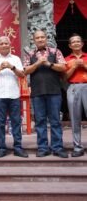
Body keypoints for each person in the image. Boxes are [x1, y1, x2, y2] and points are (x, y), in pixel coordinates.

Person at [24, 30, 68, 158]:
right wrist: (38, 62)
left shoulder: (55, 51)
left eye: (42, 37)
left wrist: (48, 64)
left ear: (46, 38)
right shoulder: (30, 54)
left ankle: (58, 147)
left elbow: (63, 67)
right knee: (40, 122)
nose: (40, 39)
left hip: (54, 92)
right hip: (37, 93)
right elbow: (25, 70)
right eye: (37, 38)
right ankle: (43, 148)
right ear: (34, 40)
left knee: (55, 121)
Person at [0, 36, 28, 158]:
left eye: (6, 43)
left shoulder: (16, 59)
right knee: (0, 123)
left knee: (16, 122)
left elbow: (22, 75)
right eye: (2, 43)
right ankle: (1, 147)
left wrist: (12, 67)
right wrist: (0, 68)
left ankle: (18, 147)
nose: (5, 45)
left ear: (10, 45)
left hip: (14, 94)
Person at [64, 34, 87, 157]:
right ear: (70, 45)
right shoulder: (66, 59)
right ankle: (77, 146)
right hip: (72, 87)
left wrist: (83, 65)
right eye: (73, 42)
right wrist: (74, 66)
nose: (76, 43)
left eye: (78, 41)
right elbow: (64, 77)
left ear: (82, 44)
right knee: (75, 118)